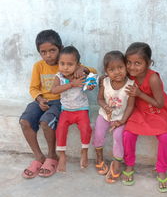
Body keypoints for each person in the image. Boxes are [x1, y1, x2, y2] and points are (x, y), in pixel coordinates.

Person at [20, 30, 95, 178]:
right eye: (43, 52)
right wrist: (39, 99)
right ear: (39, 53)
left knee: (46, 122)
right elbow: (33, 88)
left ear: (60, 48)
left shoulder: (66, 62)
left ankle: (52, 156)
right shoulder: (38, 66)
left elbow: (93, 71)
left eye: (52, 50)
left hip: (59, 102)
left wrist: (83, 69)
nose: (48, 55)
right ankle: (39, 157)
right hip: (42, 100)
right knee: (24, 121)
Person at [122, 42, 167, 192]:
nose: (132, 67)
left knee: (166, 137)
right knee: (128, 134)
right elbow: (111, 70)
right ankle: (129, 164)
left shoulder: (153, 78)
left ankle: (161, 169)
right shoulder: (128, 74)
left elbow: (159, 104)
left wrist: (140, 94)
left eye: (138, 63)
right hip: (138, 110)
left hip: (156, 111)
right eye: (129, 62)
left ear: (148, 63)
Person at [51, 46, 96, 172]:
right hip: (66, 110)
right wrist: (71, 84)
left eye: (70, 64)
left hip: (81, 109)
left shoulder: (81, 74)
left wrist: (90, 84)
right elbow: (54, 90)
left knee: (86, 128)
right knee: (60, 129)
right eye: (62, 63)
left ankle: (84, 151)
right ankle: (62, 156)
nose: (65, 67)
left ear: (77, 65)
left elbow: (92, 81)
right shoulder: (59, 76)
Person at [93, 51, 135, 183]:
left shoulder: (131, 85)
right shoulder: (104, 82)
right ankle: (99, 157)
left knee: (118, 137)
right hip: (105, 115)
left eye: (120, 67)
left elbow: (130, 106)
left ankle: (116, 163)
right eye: (112, 69)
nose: (117, 72)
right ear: (106, 71)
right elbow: (99, 99)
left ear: (126, 67)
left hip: (121, 118)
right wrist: (105, 106)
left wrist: (122, 121)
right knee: (98, 133)